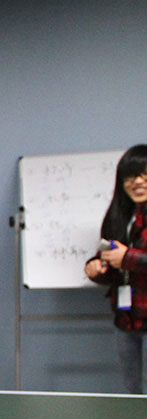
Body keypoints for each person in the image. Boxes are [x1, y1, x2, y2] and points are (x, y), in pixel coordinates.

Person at [84, 144, 147, 394]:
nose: (137, 182)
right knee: (132, 392)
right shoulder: (120, 216)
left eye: (144, 174)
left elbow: (127, 259)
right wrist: (97, 267)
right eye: (130, 176)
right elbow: (113, 264)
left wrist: (127, 257)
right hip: (126, 321)